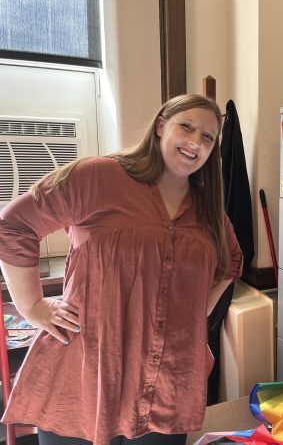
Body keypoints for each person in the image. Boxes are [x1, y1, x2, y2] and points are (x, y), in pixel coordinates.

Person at [0, 94, 243, 445]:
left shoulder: (207, 209)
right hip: (86, 379)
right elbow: (14, 225)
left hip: (167, 388)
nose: (195, 143)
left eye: (208, 137)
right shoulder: (97, 177)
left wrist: (192, 317)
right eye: (186, 127)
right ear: (161, 126)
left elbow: (231, 262)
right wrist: (32, 307)